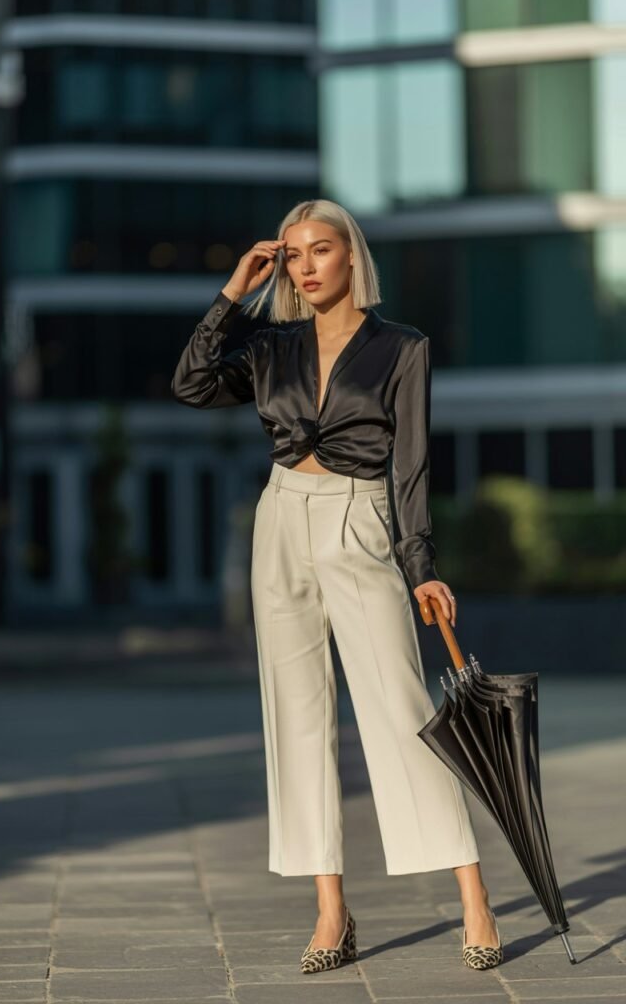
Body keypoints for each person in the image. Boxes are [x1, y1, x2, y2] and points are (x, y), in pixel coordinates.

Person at [171, 198, 503, 973]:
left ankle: (475, 899)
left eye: (320, 249)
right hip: (281, 518)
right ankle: (331, 912)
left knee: (401, 709)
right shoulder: (269, 345)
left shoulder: (401, 348)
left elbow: (413, 467)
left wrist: (421, 566)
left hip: (363, 521)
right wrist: (231, 293)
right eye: (291, 255)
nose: (305, 265)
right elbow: (190, 384)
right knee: (296, 715)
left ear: (352, 256)